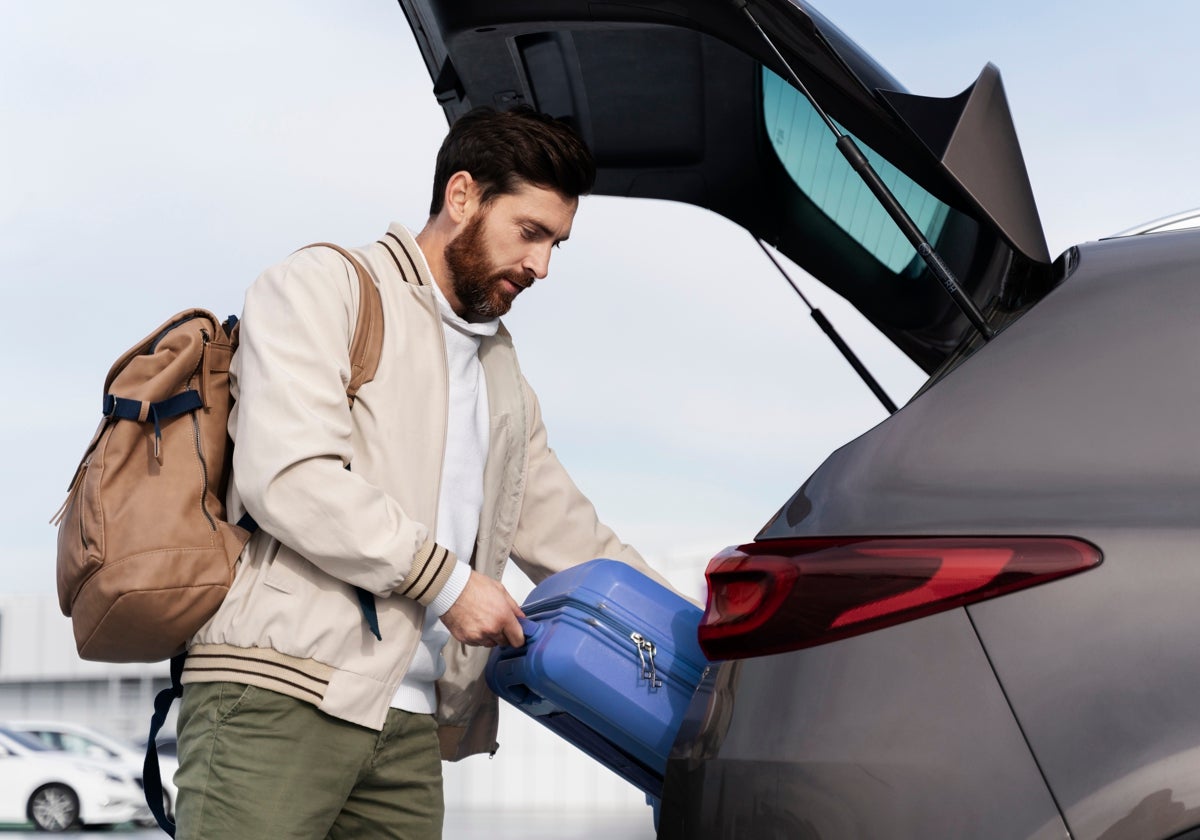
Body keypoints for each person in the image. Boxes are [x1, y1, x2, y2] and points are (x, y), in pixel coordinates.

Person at [171, 105, 675, 839]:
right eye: (530, 233)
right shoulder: (326, 285)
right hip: (275, 692)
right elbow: (288, 475)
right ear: (462, 195)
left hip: (407, 723)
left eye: (557, 243)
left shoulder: (501, 371)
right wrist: (448, 583)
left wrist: (704, 643)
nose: (542, 266)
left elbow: (574, 538)